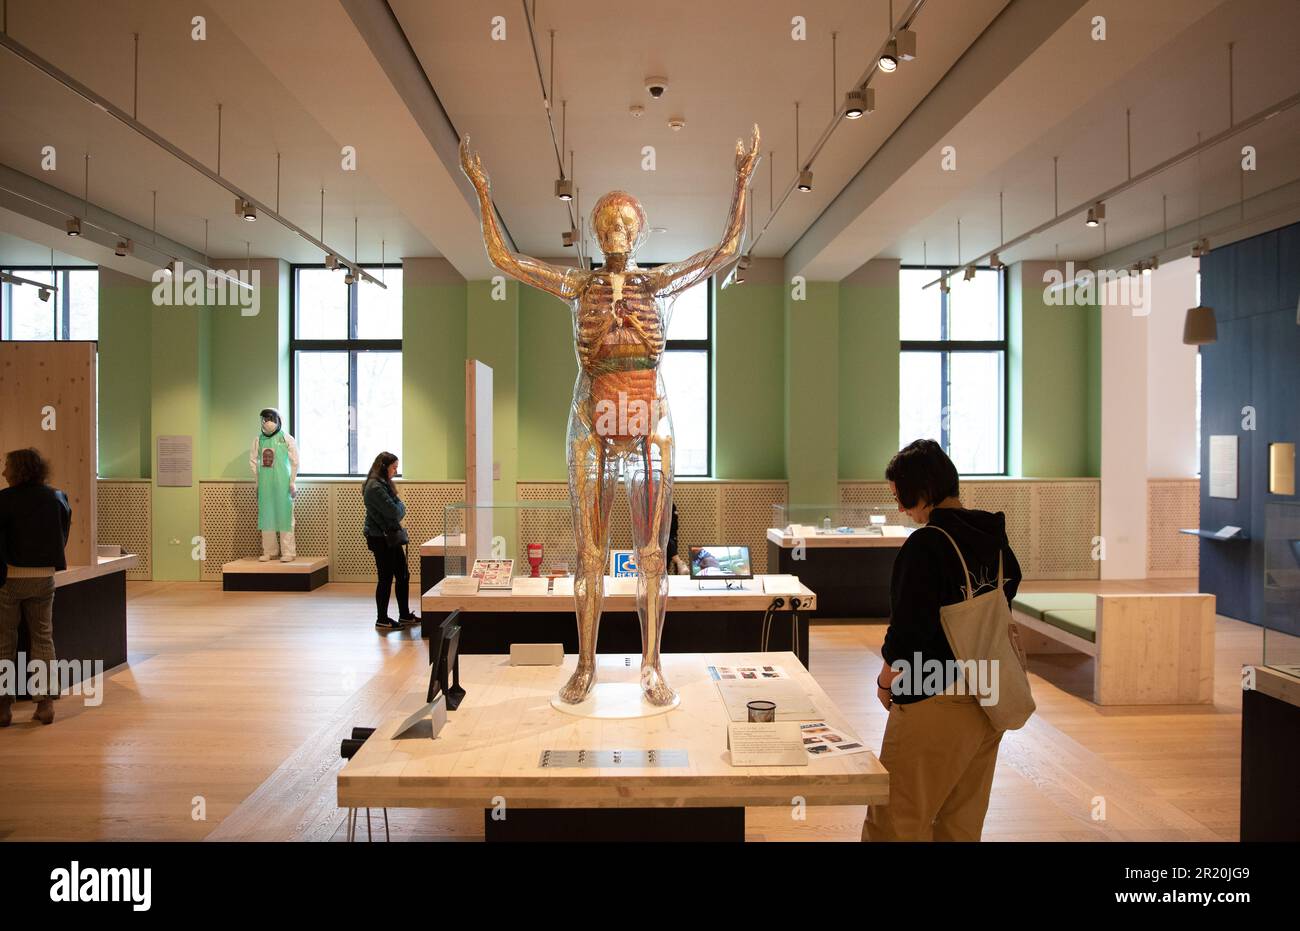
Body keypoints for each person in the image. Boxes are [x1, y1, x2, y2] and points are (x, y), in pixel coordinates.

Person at [863, 439, 1022, 842]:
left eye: (901, 496)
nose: (900, 508)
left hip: (934, 696)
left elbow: (906, 634)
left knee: (897, 821)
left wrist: (885, 683)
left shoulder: (926, 545)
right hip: (989, 693)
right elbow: (1010, 587)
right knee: (960, 824)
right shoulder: (992, 534)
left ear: (922, 491)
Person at [0, 448, 72, 727]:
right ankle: (45, 704)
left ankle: (4, 706)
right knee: (43, 638)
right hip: (44, 577)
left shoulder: (3, 500)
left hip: (10, 578)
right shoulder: (56, 497)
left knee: (5, 640)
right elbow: (62, 534)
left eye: (6, 466)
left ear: (18, 470)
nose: (4, 472)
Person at [362, 452, 418, 632]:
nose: (396, 471)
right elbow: (397, 511)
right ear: (384, 466)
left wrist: (399, 506)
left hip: (389, 535)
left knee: (402, 574)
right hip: (380, 538)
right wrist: (400, 506)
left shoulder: (382, 484)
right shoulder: (375, 487)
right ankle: (382, 618)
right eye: (394, 467)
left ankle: (404, 614)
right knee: (385, 578)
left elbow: (397, 508)